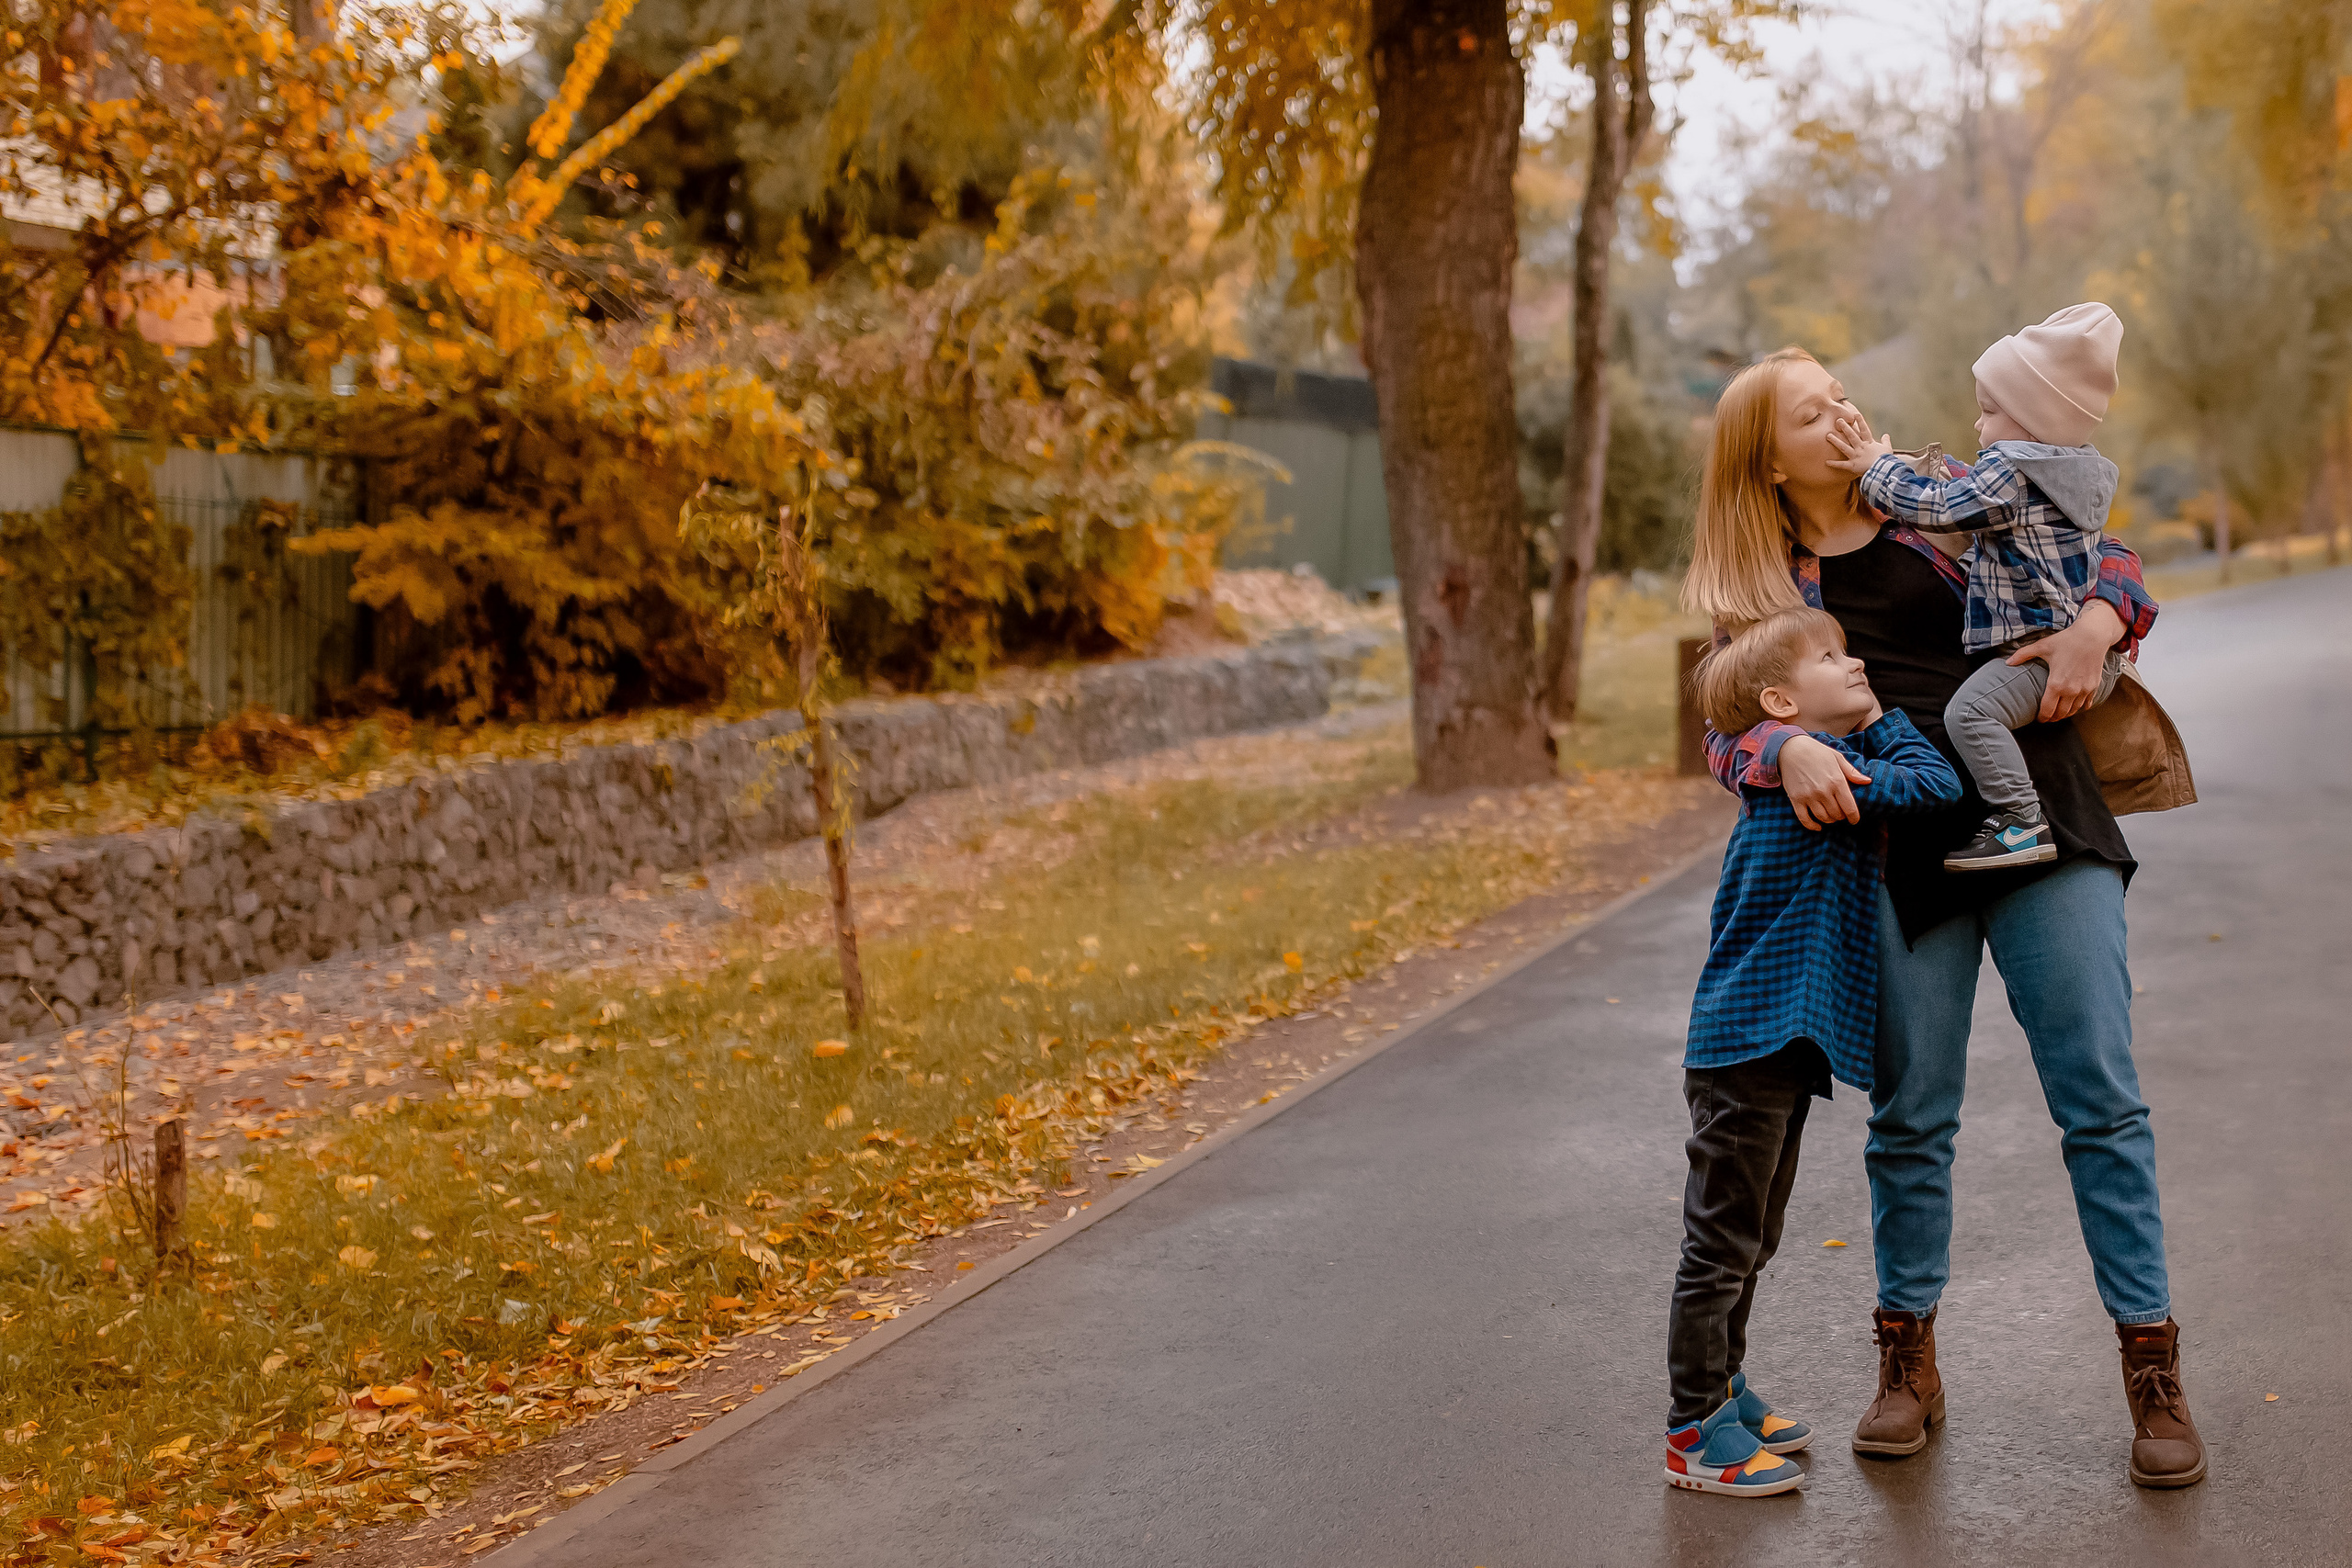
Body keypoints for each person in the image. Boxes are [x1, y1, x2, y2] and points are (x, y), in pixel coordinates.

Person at [1680, 345, 2208, 1490]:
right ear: (1765, 463)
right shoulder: (1766, 596)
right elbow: (1728, 729)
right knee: (1912, 1118)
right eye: (1810, 416)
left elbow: (2102, 547)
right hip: (1900, 842)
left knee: (2100, 1101)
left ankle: (2152, 1368)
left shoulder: (1938, 495)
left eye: (1839, 400)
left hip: (2043, 814)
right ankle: (1906, 1361)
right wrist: (1792, 745)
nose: (1841, 419)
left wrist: (2097, 630)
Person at [1666, 607, 1962, 1498]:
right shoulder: (1816, 777)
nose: (1855, 659)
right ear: (1780, 702)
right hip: (1744, 1048)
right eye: (1831, 657)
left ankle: (1723, 1390)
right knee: (1719, 1246)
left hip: (1779, 1050)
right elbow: (1933, 784)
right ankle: (1689, 1430)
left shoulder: (1820, 765)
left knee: (1752, 1240)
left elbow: (1916, 780)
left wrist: (1852, 719)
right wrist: (1869, 725)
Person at [1825, 303, 2129, 872]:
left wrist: (1877, 468)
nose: (1978, 427)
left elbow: (1938, 508)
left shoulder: (2011, 475)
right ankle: (2017, 816)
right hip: (2061, 655)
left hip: (2051, 657)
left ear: (2030, 422)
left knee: (1970, 714)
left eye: (1987, 412)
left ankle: (2019, 820)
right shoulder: (2069, 472)